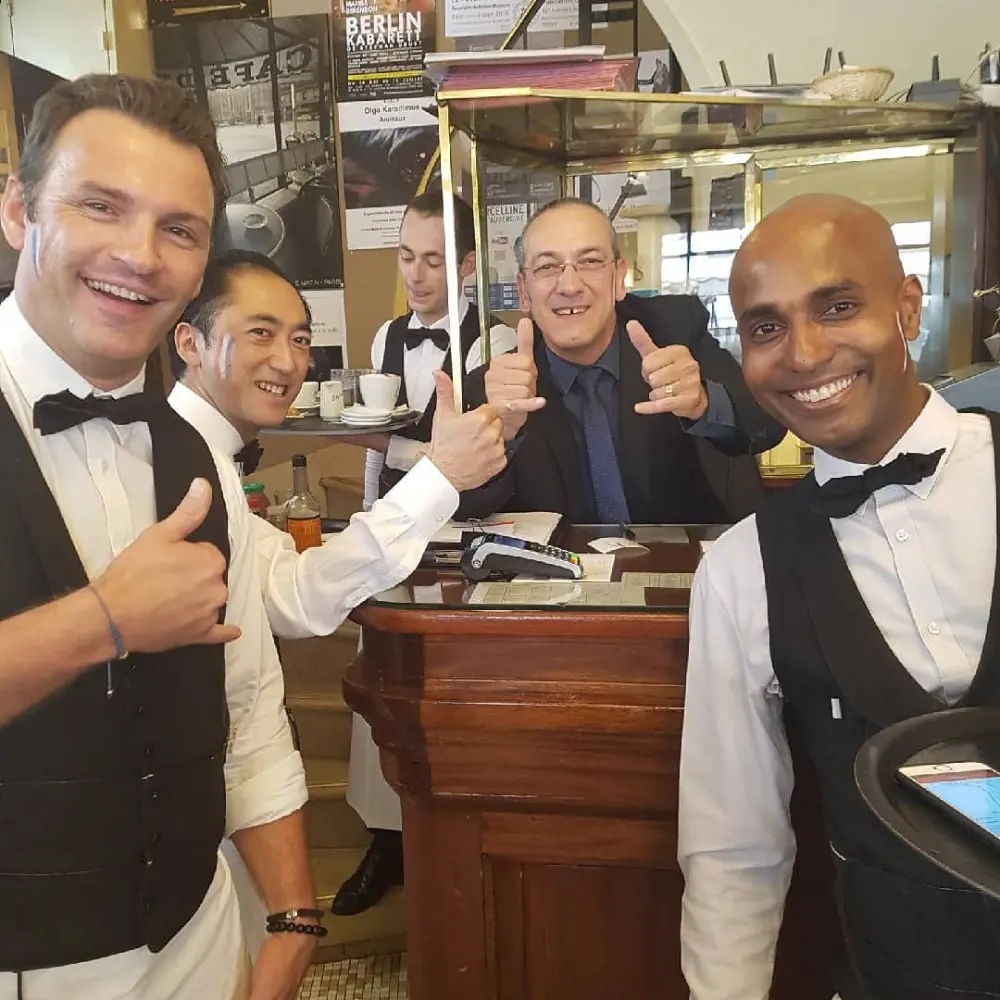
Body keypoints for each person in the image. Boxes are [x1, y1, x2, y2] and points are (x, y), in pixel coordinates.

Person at [0, 74, 316, 1000]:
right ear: (19, 211)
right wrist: (102, 620)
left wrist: (291, 920)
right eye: (101, 207)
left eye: (178, 229)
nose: (141, 255)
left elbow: (248, 699)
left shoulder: (193, 446)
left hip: (196, 938)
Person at [678, 193, 1000, 1000]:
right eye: (765, 327)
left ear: (908, 306)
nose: (805, 351)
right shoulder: (740, 569)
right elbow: (733, 848)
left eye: (839, 306)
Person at [332, 190, 518, 916]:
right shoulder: (385, 337)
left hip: (471, 530)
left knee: (449, 684)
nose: (415, 273)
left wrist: (392, 446)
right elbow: (389, 452)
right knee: (379, 677)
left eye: (434, 260)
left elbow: (488, 456)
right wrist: (369, 522)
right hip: (397, 526)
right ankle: (385, 839)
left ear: (469, 266)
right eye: (406, 256)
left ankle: (460, 834)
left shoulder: (496, 343)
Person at [452, 197, 785, 524]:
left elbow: (766, 424)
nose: (569, 285)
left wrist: (702, 402)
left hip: (686, 567)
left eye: (590, 262)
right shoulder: (497, 389)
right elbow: (464, 510)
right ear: (524, 292)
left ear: (618, 277)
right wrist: (503, 438)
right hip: (561, 574)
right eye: (547, 267)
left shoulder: (675, 330)